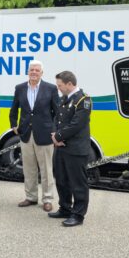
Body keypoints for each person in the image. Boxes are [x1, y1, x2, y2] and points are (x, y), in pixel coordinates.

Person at [9, 60, 59, 212]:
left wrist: (55, 130)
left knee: (46, 170)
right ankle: (30, 197)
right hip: (25, 134)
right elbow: (14, 108)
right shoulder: (20, 88)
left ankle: (48, 199)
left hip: (44, 134)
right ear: (28, 71)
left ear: (42, 73)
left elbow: (57, 112)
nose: (34, 72)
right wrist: (14, 126)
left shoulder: (50, 88)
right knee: (29, 169)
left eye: (37, 70)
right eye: (32, 70)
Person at [50, 71, 92, 227]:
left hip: (75, 149)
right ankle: (65, 208)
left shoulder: (83, 100)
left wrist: (58, 136)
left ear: (69, 84)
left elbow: (77, 124)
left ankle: (78, 215)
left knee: (78, 183)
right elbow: (56, 118)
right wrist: (55, 135)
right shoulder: (64, 99)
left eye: (60, 85)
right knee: (61, 180)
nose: (58, 88)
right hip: (61, 147)